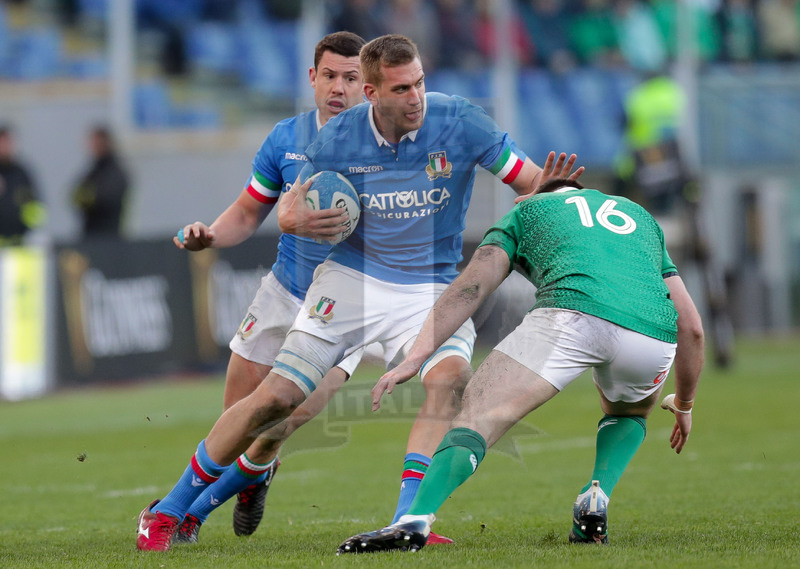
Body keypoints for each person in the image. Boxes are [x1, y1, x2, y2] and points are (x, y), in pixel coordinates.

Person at [136, 33, 582, 552]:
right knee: (275, 401)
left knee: (450, 382)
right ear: (372, 93)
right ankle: (167, 513)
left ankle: (407, 521)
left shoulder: (460, 120)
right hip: (351, 280)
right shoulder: (336, 140)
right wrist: (294, 218)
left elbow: (529, 179)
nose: (415, 97)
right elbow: (286, 211)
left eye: (419, 83)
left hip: (433, 285)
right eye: (400, 89)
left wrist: (559, 196)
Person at [337, 157, 705, 554]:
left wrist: (418, 354)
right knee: (628, 412)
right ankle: (596, 495)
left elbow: (472, 286)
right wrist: (684, 403)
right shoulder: (639, 217)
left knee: (477, 417)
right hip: (652, 334)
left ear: (532, 197)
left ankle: (413, 521)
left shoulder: (527, 211)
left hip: (571, 313)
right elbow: (693, 327)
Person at [167, 31, 368, 546]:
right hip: (283, 291)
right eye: (330, 76)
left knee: (283, 420)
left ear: (368, 85)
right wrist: (210, 236)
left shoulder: (387, 149)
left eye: (351, 78)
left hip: (345, 306)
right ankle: (247, 478)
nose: (339, 87)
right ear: (312, 78)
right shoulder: (286, 138)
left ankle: (189, 513)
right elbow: (246, 212)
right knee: (235, 421)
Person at [71, 125, 130, 239]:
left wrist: (89, 197)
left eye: (95, 142)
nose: (92, 146)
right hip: (90, 236)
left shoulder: (114, 172)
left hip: (109, 237)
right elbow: (76, 195)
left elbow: (105, 198)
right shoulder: (93, 170)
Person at [0, 125, 45, 246]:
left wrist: (29, 230)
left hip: (20, 244)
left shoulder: (22, 174)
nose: (4, 146)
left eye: (7, 142)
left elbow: (36, 208)